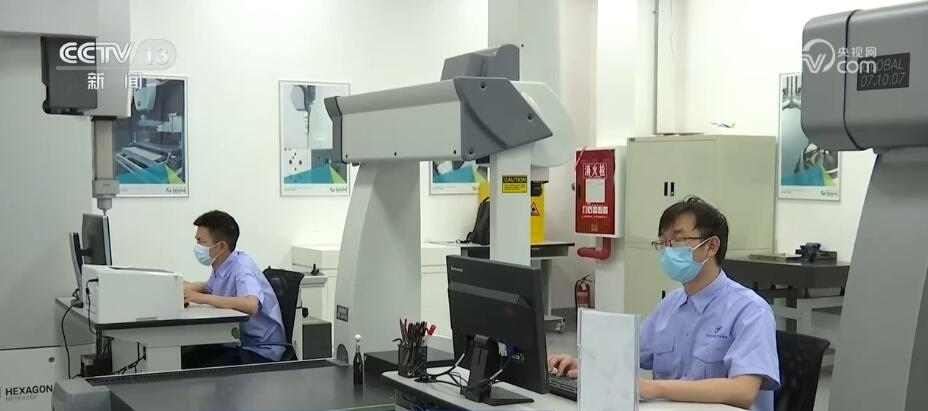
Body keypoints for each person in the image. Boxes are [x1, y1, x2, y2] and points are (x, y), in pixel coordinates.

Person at [548, 196, 779, 411]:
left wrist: (653, 388)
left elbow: (743, 391)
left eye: (678, 240)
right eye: (663, 242)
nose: (668, 250)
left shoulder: (750, 311)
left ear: (711, 246)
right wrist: (583, 365)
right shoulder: (671, 304)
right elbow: (626, 356)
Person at [181, 210, 287, 368]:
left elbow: (251, 305)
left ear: (220, 246)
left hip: (260, 349)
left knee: (193, 364)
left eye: (201, 241)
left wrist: (200, 298)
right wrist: (177, 288)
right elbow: (207, 287)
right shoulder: (223, 264)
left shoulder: (242, 268)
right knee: (186, 357)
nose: (198, 246)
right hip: (238, 342)